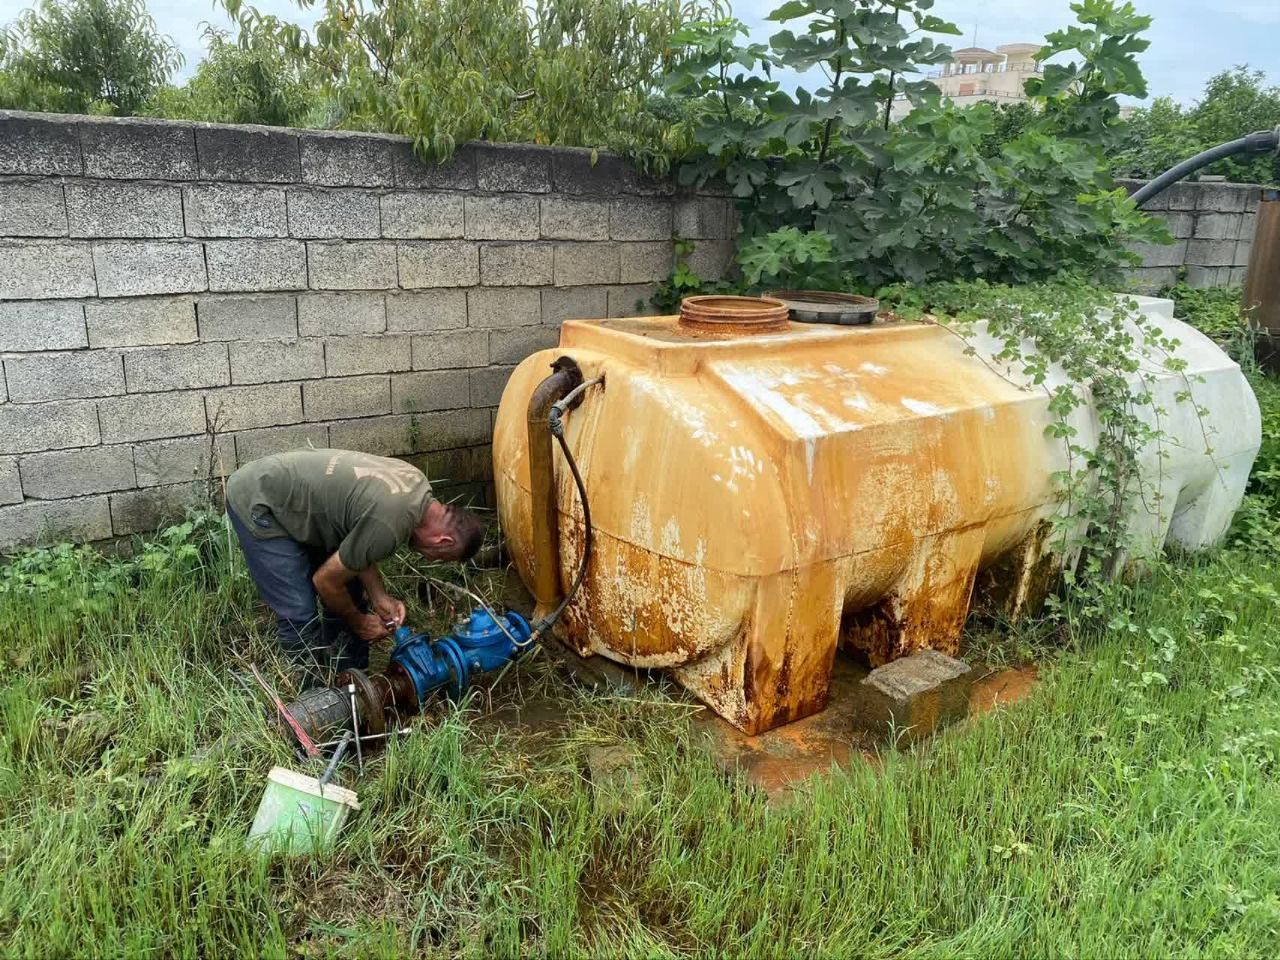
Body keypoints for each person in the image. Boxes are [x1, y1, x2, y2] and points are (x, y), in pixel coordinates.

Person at [225, 448, 485, 675]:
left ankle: (348, 677)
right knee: (299, 612)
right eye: (439, 557)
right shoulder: (392, 524)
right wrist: (358, 621)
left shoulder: (417, 485)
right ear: (443, 541)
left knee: (349, 587)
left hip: (297, 494)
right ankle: (311, 705)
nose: (429, 558)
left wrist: (379, 596)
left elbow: (360, 540)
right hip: (260, 498)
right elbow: (324, 580)